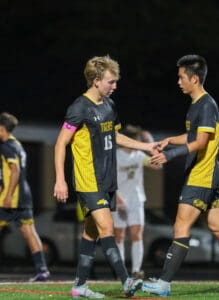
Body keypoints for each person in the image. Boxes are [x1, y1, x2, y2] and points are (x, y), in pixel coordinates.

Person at [142, 54, 219, 297]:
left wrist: (170, 155)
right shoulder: (197, 105)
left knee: (180, 226)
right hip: (206, 176)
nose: (178, 81)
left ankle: (163, 283)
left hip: (201, 177)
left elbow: (201, 141)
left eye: (181, 77)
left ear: (194, 79)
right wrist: (169, 141)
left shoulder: (206, 105)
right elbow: (193, 136)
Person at [53, 55, 157, 299]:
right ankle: (126, 281)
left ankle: (79, 286)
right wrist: (60, 178)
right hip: (89, 179)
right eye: (111, 81)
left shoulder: (109, 106)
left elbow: (116, 136)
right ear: (96, 80)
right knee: (108, 227)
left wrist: (145, 147)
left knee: (92, 232)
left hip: (107, 180)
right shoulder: (79, 108)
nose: (115, 85)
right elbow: (60, 143)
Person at [0, 112, 50, 281]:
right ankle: (42, 270)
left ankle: (42, 270)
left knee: (29, 232)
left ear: (1, 128)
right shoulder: (18, 145)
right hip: (24, 195)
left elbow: (15, 170)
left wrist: (7, 195)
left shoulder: (6, 146)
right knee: (29, 231)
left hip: (11, 198)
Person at [112, 125, 161, 279]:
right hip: (118, 198)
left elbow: (159, 165)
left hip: (136, 199)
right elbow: (108, 178)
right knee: (119, 236)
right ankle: (120, 271)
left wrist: (151, 146)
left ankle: (136, 271)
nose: (139, 142)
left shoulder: (139, 155)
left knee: (136, 234)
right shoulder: (116, 155)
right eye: (137, 140)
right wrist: (117, 197)